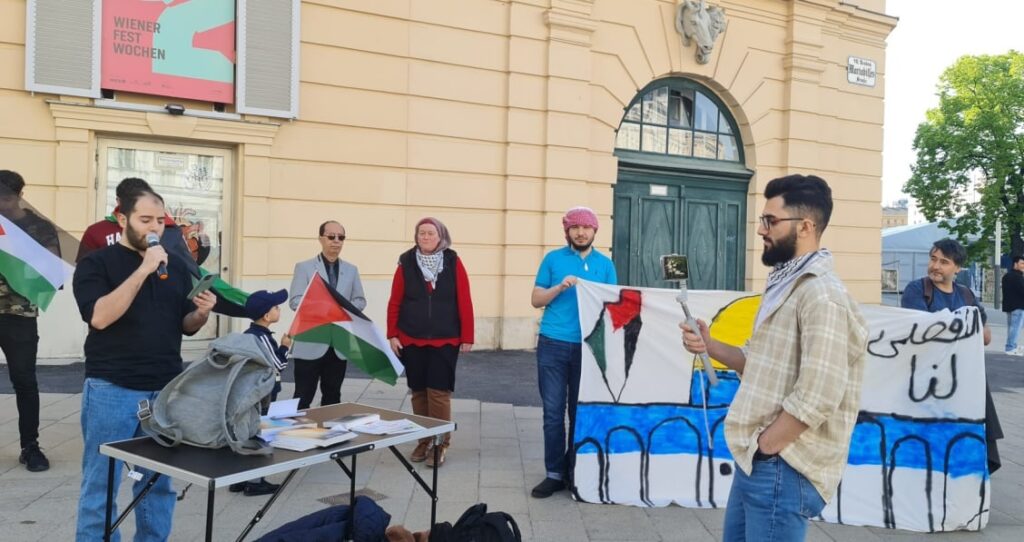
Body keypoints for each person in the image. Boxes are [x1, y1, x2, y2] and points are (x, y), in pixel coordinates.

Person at [681, 174, 868, 541]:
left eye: (770, 221)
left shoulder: (821, 295)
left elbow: (821, 393)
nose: (760, 230)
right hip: (760, 459)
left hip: (782, 464)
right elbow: (758, 361)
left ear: (806, 226)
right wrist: (711, 344)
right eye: (762, 220)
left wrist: (768, 447)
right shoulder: (786, 283)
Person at [72, 188, 217, 541]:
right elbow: (100, 317)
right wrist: (143, 269)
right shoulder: (97, 262)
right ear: (122, 219)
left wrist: (200, 312)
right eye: (145, 220)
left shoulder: (176, 264)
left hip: (164, 390)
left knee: (158, 484)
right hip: (112, 389)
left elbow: (184, 324)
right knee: (101, 485)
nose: (155, 228)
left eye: (160, 221)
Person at [530, 207, 617, 498]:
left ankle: (575, 470)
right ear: (567, 231)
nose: (581, 232)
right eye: (575, 227)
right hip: (553, 343)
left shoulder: (606, 265)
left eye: (586, 228)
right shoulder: (553, 259)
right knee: (553, 414)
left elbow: (613, 306)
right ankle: (554, 474)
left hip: (588, 347)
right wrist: (559, 286)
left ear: (595, 231)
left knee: (580, 413)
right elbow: (535, 299)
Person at [900, 238, 1003, 473]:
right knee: (932, 439)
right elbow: (925, 331)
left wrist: (952, 326)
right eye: (933, 259)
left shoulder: (966, 295)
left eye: (944, 262)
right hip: (929, 380)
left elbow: (985, 336)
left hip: (964, 378)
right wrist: (963, 325)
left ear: (957, 268)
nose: (935, 266)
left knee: (969, 434)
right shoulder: (918, 290)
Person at [387, 217, 474, 468]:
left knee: (438, 392)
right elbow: (395, 301)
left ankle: (440, 442)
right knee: (418, 393)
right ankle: (423, 439)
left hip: (445, 338)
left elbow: (464, 300)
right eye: (421, 233)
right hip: (411, 338)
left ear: (441, 237)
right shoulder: (405, 262)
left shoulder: (453, 261)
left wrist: (467, 336)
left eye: (430, 233)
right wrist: (393, 333)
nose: (425, 237)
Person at [0, 170, 59, 472]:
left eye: (7, 198)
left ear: (20, 195)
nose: (2, 204)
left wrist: (22, 255)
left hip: (18, 315)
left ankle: (30, 446)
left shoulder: (38, 227)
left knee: (24, 381)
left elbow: (54, 275)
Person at [288, 221, 366, 409]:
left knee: (332, 397)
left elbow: (360, 300)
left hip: (338, 345)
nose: (336, 241)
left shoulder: (351, 269)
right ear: (321, 238)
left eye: (341, 237)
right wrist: (326, 309)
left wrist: (344, 309)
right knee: (302, 397)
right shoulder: (304, 267)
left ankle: (329, 436)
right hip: (310, 341)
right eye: (331, 237)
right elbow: (295, 301)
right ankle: (297, 436)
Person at [229, 288, 292, 497]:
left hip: (251, 393)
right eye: (276, 307)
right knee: (260, 433)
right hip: (263, 394)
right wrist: (285, 347)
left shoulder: (249, 335)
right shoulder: (262, 338)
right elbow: (277, 365)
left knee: (247, 432)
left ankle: (239, 478)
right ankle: (255, 481)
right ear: (266, 315)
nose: (279, 310)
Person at [1001, 255, 1024, 355]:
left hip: (1008, 306)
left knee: (1011, 327)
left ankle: (1011, 346)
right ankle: (1010, 347)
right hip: (1018, 306)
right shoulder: (1018, 277)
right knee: (1015, 327)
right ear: (1015, 264)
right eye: (1022, 263)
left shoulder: (1006, 276)